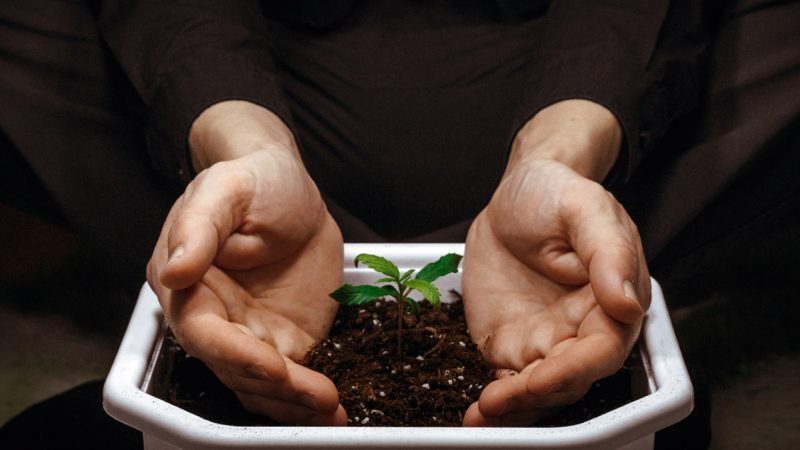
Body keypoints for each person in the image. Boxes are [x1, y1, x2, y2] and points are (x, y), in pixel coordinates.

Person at [2, 0, 798, 443]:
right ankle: (240, 226)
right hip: (270, 66)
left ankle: (572, 238)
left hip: (564, 58)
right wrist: (236, 134)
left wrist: (565, 144)